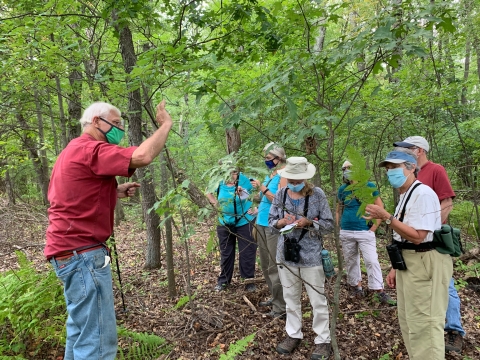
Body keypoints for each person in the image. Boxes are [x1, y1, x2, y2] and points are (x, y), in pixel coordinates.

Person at [45, 100, 173, 360]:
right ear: (95, 122)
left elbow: (73, 195)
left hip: (69, 252)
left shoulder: (72, 151)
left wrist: (114, 191)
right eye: (115, 124)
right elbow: (143, 156)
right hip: (84, 256)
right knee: (98, 343)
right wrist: (166, 125)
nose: (120, 130)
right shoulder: (91, 149)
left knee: (81, 332)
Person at [365, 148, 453, 360]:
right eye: (387, 168)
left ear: (411, 167)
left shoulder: (422, 194)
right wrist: (396, 267)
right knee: (410, 321)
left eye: (394, 167)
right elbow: (403, 236)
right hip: (408, 262)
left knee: (425, 323)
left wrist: (385, 217)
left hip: (424, 262)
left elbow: (418, 236)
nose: (390, 172)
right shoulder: (406, 194)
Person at [394, 136, 463, 353]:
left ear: (418, 150)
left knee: (444, 289)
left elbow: (447, 202)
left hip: (430, 246)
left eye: (406, 149)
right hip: (412, 249)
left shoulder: (435, 170)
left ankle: (454, 330)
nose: (402, 151)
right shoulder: (408, 177)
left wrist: (429, 228)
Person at [268, 157, 334, 359]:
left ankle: (323, 340)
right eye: (291, 179)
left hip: (311, 254)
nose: (294, 183)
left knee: (317, 299)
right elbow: (271, 222)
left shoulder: (317, 195)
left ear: (306, 178)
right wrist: (281, 222)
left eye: (298, 179)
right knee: (290, 297)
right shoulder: (280, 194)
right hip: (286, 254)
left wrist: (309, 223)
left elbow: (329, 224)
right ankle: (293, 334)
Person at [336, 160, 393, 304]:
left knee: (371, 260)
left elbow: (380, 207)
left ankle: (378, 289)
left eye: (350, 168)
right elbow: (338, 209)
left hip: (364, 230)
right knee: (351, 260)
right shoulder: (343, 189)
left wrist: (374, 227)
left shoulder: (369, 186)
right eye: (344, 169)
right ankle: (357, 287)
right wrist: (339, 227)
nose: (347, 170)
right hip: (346, 230)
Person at [250, 142, 288, 318]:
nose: (266, 161)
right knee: (265, 265)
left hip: (274, 226)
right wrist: (250, 192)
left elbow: (280, 201)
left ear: (278, 158)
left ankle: (281, 307)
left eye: (268, 158)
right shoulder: (271, 175)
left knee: (275, 266)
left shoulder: (284, 176)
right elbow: (263, 198)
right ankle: (275, 298)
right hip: (261, 222)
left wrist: (262, 188)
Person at [206, 166, 258, 292]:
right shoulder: (218, 181)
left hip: (245, 220)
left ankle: (248, 281)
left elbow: (259, 193)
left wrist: (257, 206)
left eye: (234, 172)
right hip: (224, 221)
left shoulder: (245, 180)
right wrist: (216, 205)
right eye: (228, 172)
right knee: (226, 253)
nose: (231, 175)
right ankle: (223, 281)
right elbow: (207, 191)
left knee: (247, 252)